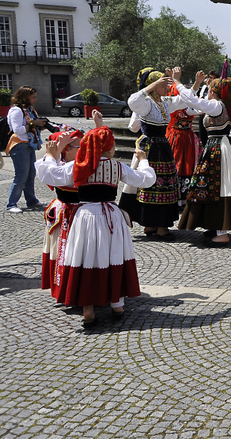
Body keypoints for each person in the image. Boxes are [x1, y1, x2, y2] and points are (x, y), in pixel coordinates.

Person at [40, 125, 156, 328]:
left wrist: (50, 155)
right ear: (109, 148)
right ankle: (117, 305)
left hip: (85, 217)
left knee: (85, 257)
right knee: (114, 255)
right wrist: (144, 160)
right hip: (111, 216)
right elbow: (146, 180)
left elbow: (50, 175)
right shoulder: (117, 166)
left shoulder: (78, 165)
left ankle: (88, 309)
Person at [178, 75, 231, 245]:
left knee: (220, 186)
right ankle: (214, 225)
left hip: (219, 150)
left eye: (210, 89)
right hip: (218, 148)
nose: (207, 92)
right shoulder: (224, 105)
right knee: (213, 186)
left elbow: (192, 101)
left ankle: (222, 233)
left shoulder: (217, 106)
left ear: (214, 92)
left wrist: (177, 82)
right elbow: (190, 108)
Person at [120, 67, 197, 240]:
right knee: (151, 185)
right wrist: (153, 85)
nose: (166, 88)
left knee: (164, 185)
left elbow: (184, 100)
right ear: (154, 86)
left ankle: (156, 225)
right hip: (149, 149)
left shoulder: (164, 102)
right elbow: (132, 101)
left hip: (163, 147)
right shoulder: (146, 103)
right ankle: (155, 226)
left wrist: (195, 84)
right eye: (163, 85)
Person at [34, 125, 87, 301]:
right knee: (63, 251)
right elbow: (48, 172)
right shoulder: (64, 167)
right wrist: (56, 151)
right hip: (66, 213)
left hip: (82, 214)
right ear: (66, 150)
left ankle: (80, 287)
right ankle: (66, 288)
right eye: (79, 146)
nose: (83, 149)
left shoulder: (79, 164)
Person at [5, 85, 46, 213]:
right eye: (33, 97)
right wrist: (34, 124)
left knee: (30, 174)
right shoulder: (17, 111)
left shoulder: (29, 110)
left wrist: (40, 125)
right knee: (21, 175)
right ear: (25, 97)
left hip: (29, 144)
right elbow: (17, 130)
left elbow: (30, 125)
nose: (35, 99)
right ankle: (11, 204)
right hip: (19, 145)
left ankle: (31, 201)